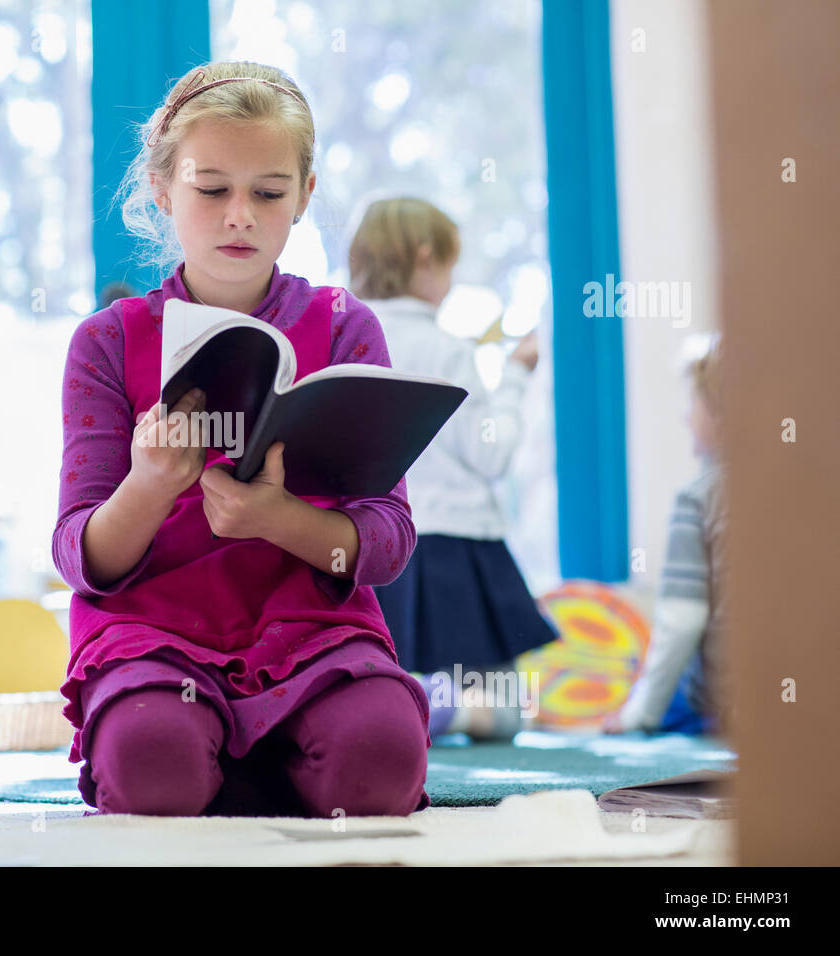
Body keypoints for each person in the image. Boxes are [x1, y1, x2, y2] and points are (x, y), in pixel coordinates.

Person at [52, 62, 432, 817]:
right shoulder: (106, 341)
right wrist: (151, 485)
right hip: (153, 638)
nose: (239, 216)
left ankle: (254, 759)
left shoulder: (346, 327)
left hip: (315, 637)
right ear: (163, 190)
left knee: (381, 765)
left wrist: (274, 520)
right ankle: (223, 759)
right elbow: (80, 558)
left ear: (305, 196)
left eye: (268, 192)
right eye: (211, 188)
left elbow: (388, 541)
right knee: (152, 763)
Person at [349, 197, 557, 741]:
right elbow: (491, 455)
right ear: (424, 259)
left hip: (376, 549)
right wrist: (514, 375)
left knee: (379, 671)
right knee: (506, 715)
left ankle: (404, 703)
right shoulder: (448, 350)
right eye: (449, 265)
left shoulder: (347, 343)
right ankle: (427, 707)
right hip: (458, 552)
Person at [604, 339, 728, 735]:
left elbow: (682, 622)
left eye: (694, 401)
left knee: (646, 683)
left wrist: (639, 715)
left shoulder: (699, 498)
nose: (685, 417)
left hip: (723, 702)